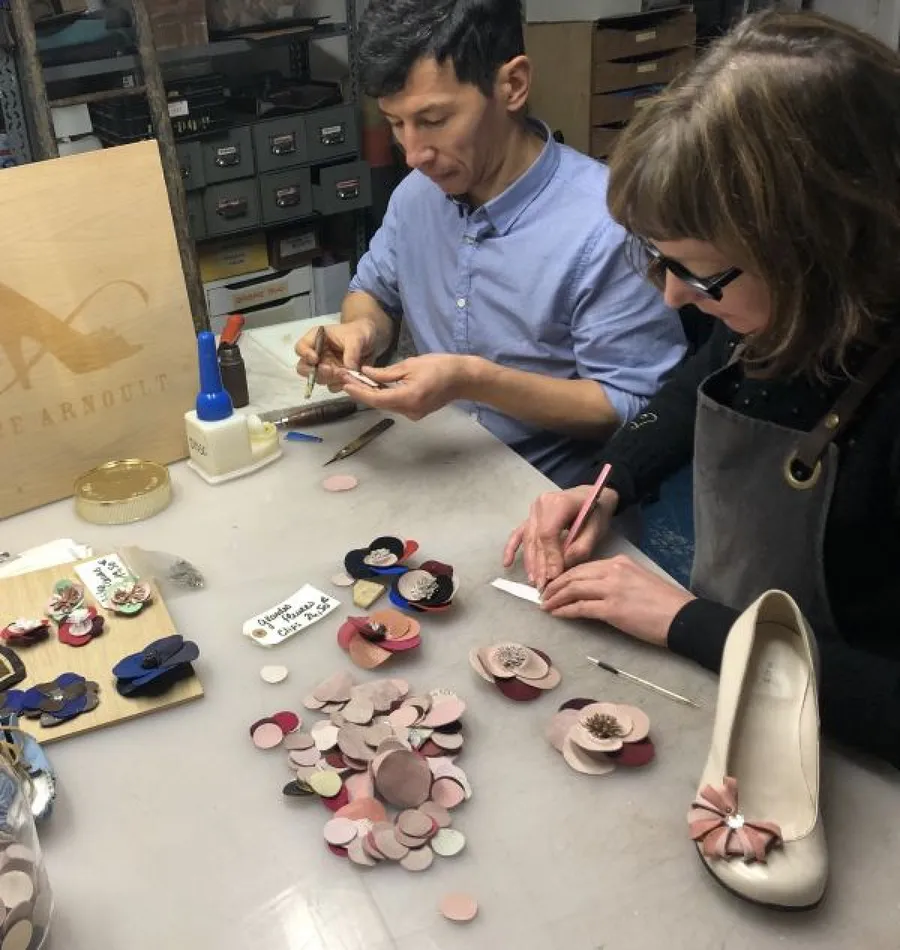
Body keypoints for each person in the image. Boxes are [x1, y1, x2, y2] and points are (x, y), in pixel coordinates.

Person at [504, 10, 900, 769]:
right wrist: (605, 484)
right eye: (659, 261)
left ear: (824, 250)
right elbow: (702, 380)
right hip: (742, 683)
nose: (672, 300)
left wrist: (691, 623)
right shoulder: (778, 303)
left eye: (702, 275)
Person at [295, 0, 686, 489]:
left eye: (434, 120)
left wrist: (475, 381)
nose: (414, 154)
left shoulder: (606, 227)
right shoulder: (417, 196)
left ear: (513, 85)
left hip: (548, 502)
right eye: (397, 124)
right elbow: (372, 290)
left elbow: (637, 407)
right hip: (429, 465)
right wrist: (360, 334)